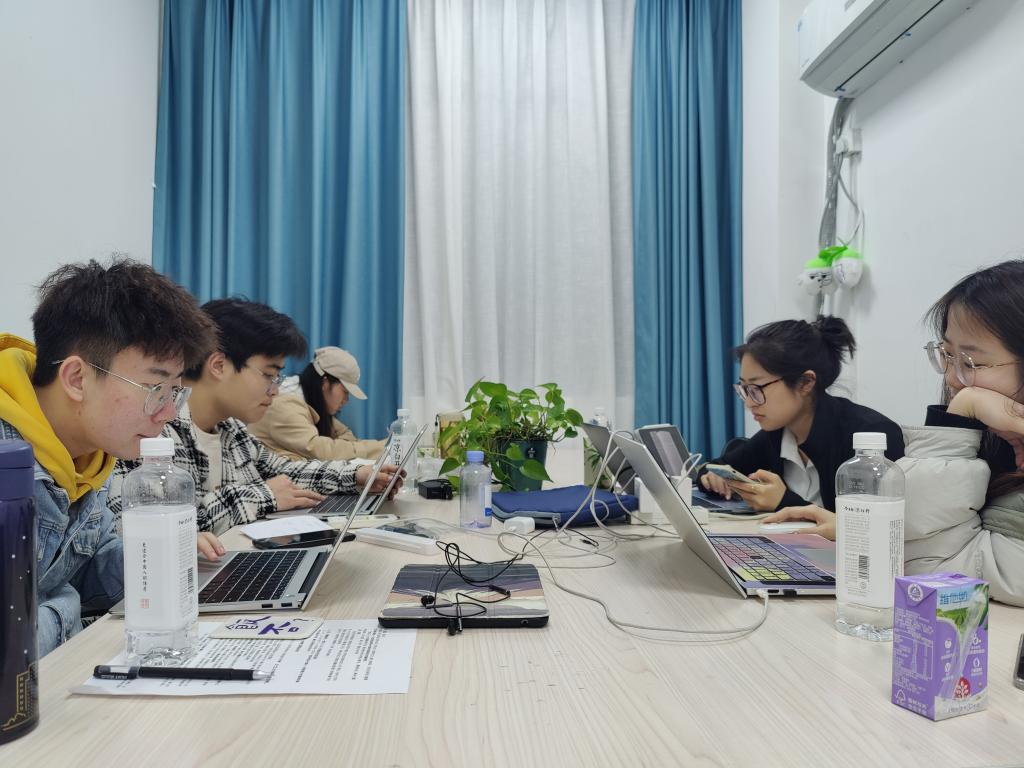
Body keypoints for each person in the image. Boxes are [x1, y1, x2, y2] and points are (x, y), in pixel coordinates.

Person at [0, 259, 222, 655]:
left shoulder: (90, 455)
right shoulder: (9, 463)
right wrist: (65, 609)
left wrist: (163, 557)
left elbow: (76, 569)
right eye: (155, 389)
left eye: (174, 392)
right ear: (77, 379)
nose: (169, 413)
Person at [772, 262, 1024, 604]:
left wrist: (958, 417)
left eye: (971, 363)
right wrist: (862, 530)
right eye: (948, 355)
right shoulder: (995, 438)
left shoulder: (863, 425)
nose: (952, 379)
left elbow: (940, 573)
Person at [110, 299, 402, 535]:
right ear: (219, 365)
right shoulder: (153, 431)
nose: (275, 390)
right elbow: (145, 532)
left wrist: (356, 475)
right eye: (269, 375)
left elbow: (284, 472)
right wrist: (262, 495)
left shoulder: (231, 430)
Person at [701, 316, 904, 529]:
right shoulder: (778, 433)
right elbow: (716, 466)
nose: (749, 403)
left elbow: (867, 528)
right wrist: (712, 477)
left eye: (757, 389)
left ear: (805, 383)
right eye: (744, 389)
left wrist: (783, 501)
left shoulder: (869, 435)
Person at [249, 346, 386, 461]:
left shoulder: (311, 400)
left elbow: (346, 435)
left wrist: (337, 447)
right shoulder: (285, 404)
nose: (347, 399)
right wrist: (382, 448)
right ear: (325, 382)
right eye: (345, 391)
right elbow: (321, 451)